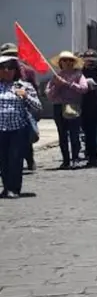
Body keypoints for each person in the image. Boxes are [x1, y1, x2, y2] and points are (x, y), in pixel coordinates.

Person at [0, 52, 41, 197]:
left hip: (18, 129)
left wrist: (26, 96)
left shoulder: (24, 85)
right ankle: (6, 187)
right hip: (1, 129)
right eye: (3, 68)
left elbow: (37, 106)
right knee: (3, 160)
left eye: (10, 68)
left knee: (15, 159)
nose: (6, 71)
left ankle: (14, 188)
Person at [45, 51, 89, 169]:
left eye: (70, 60)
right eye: (64, 60)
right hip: (59, 106)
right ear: (60, 63)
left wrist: (68, 84)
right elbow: (49, 95)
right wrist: (57, 85)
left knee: (74, 134)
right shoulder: (56, 76)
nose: (67, 63)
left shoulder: (78, 75)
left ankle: (75, 158)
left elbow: (84, 88)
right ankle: (65, 160)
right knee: (62, 135)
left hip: (73, 106)